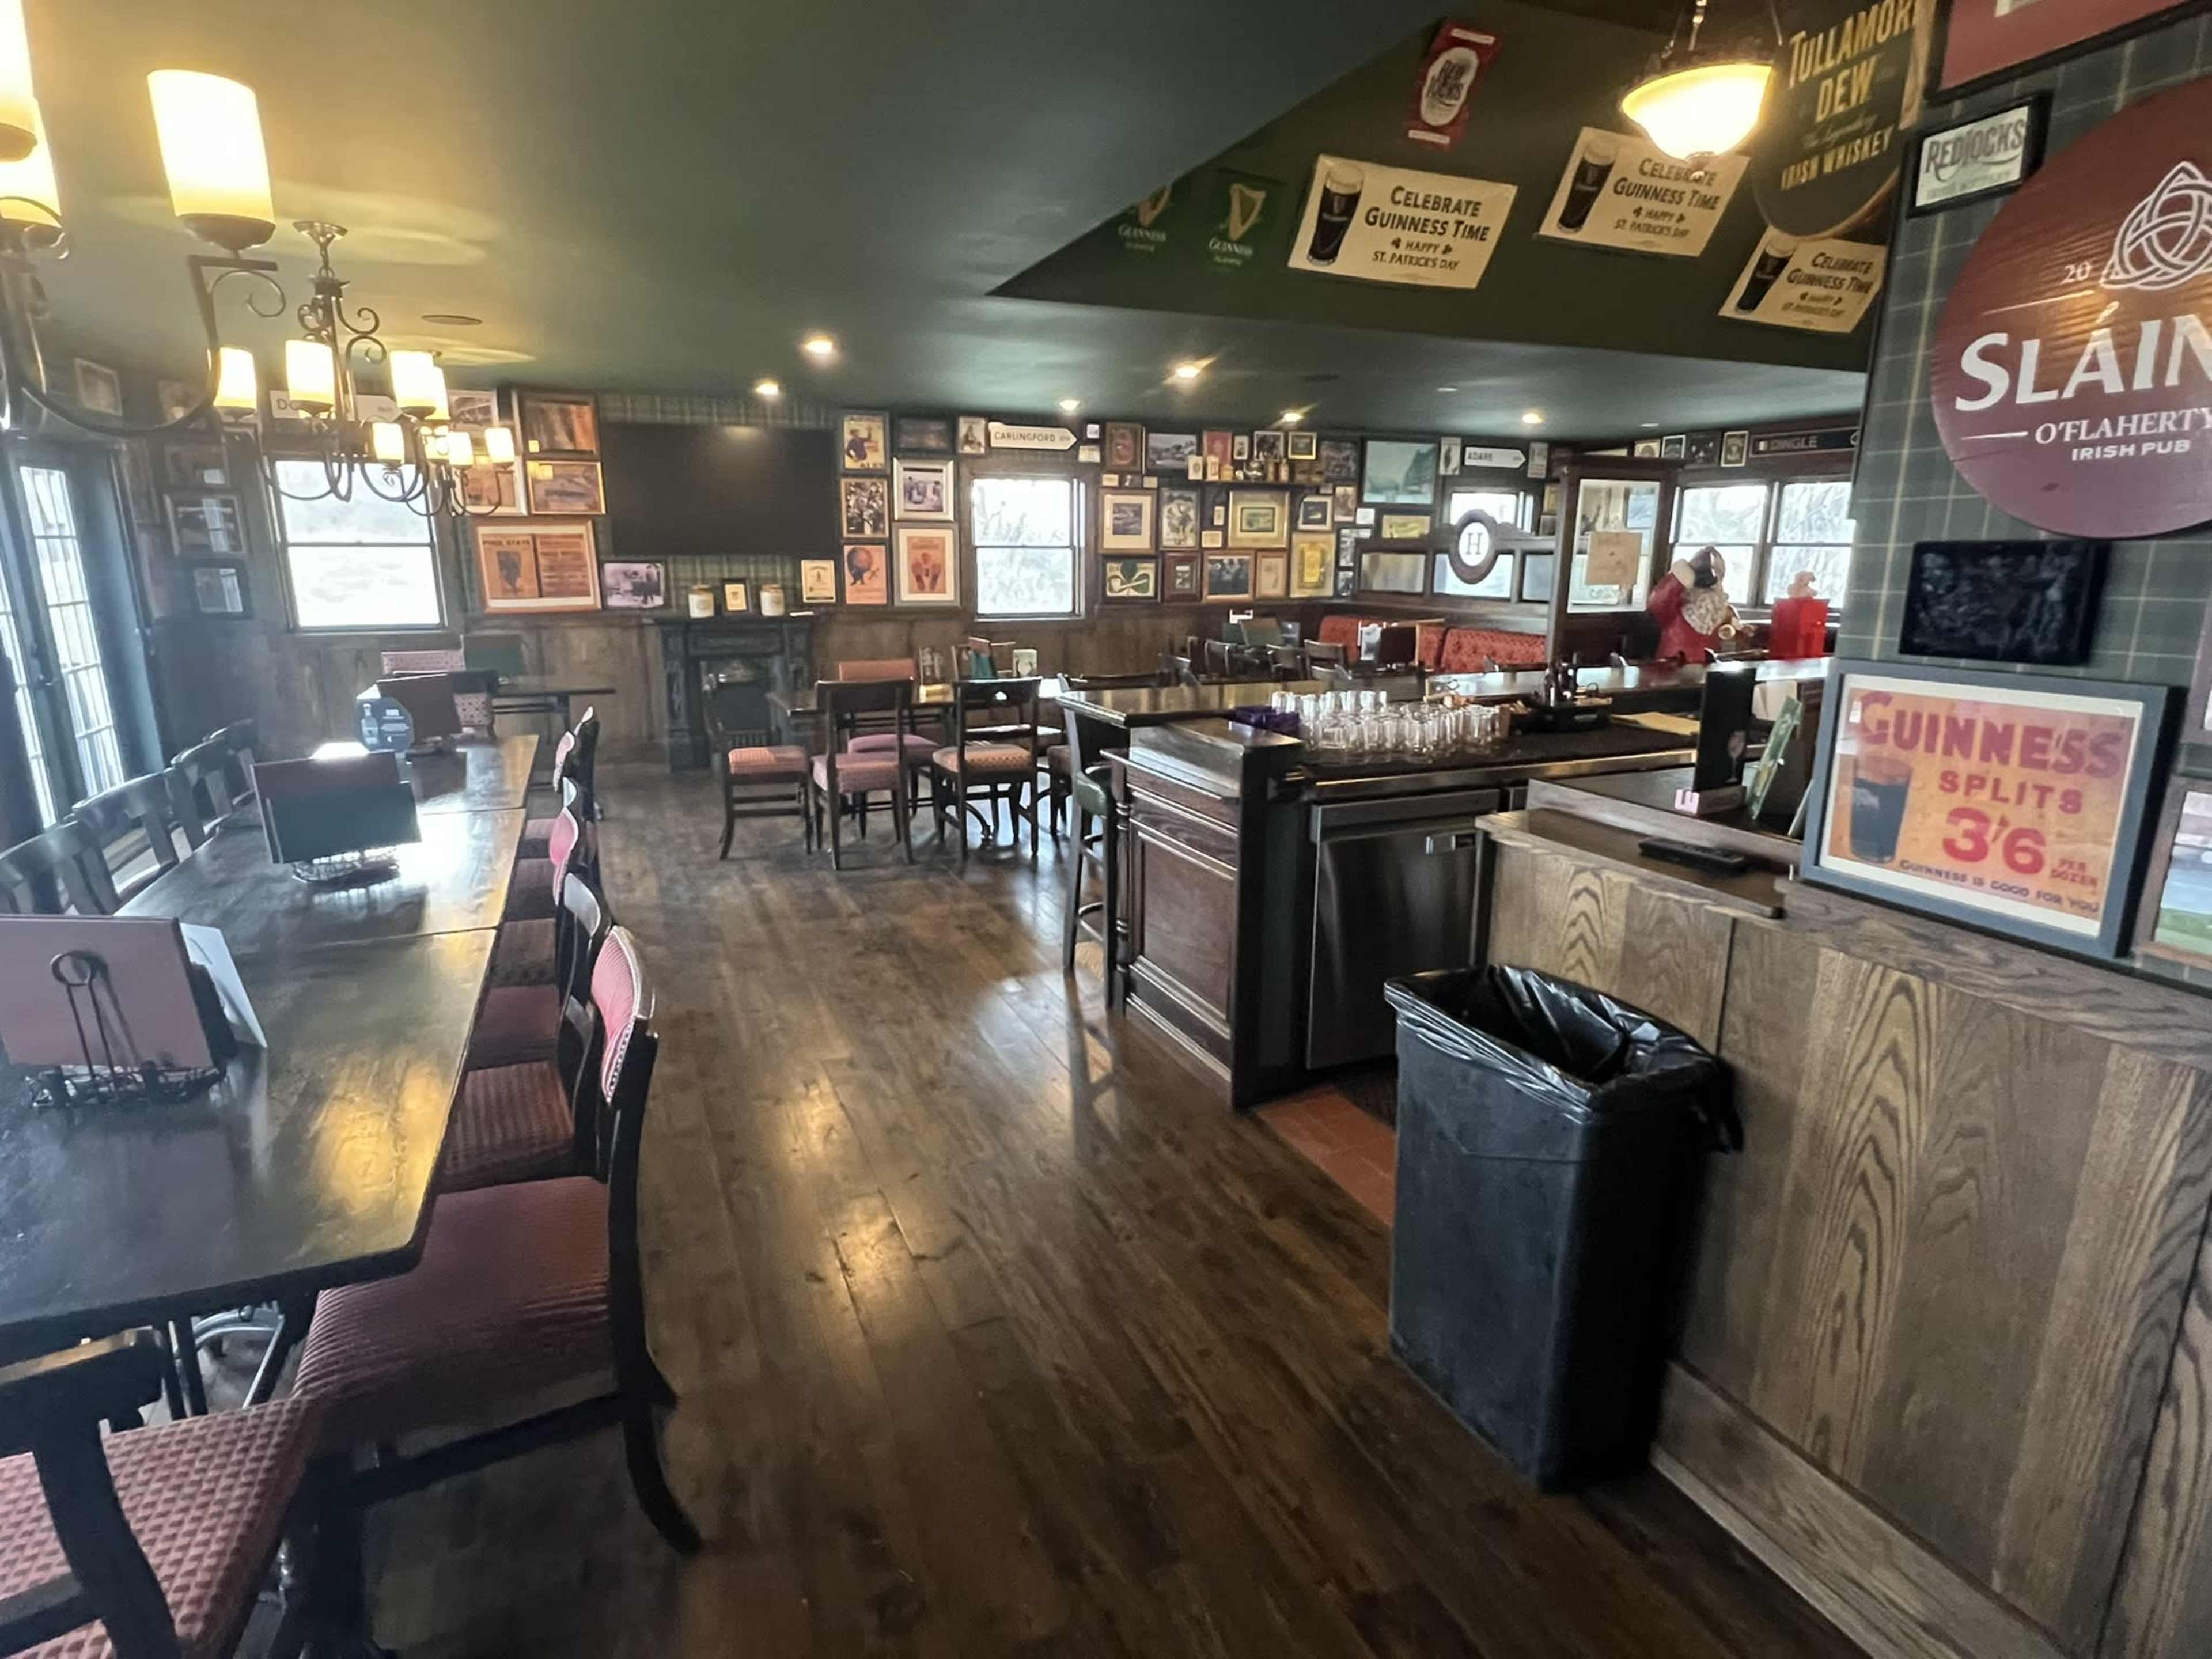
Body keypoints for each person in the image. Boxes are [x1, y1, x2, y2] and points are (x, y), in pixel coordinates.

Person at [1646, 545, 1740, 662]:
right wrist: (1678, 580)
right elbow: (1659, 603)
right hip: (1673, 663)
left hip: (1699, 663)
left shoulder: (1720, 611)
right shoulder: (1677, 606)